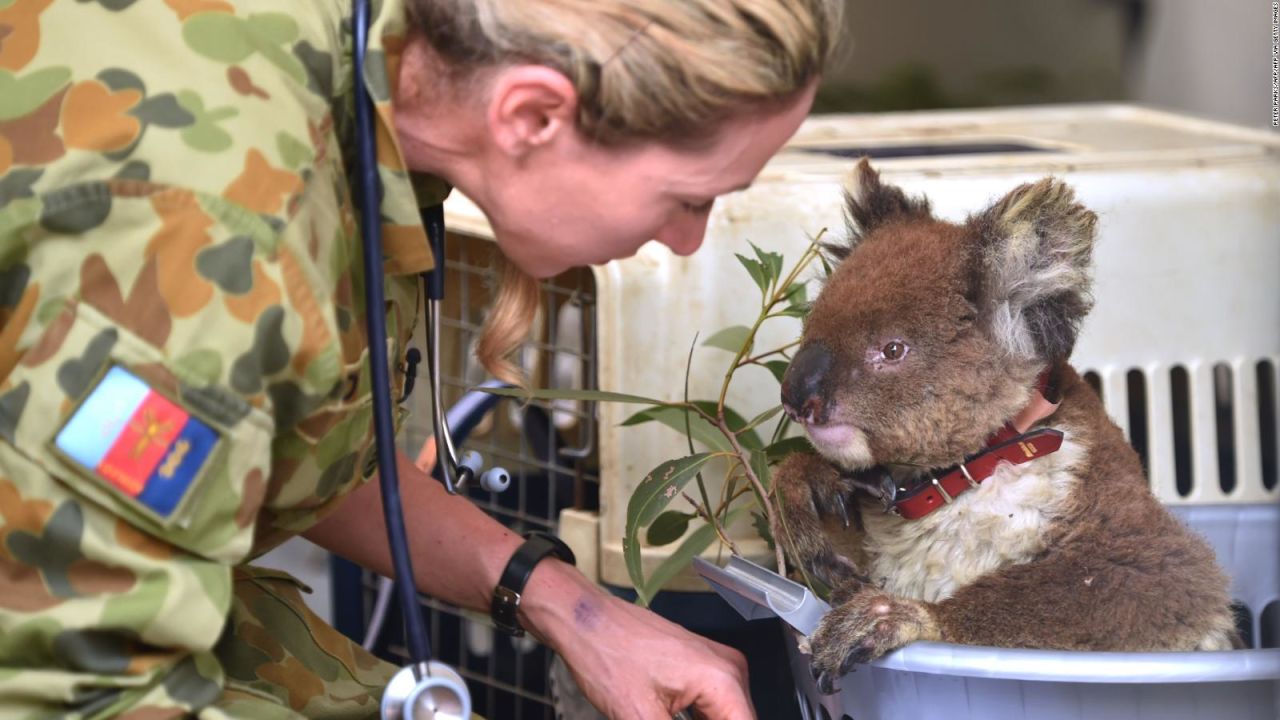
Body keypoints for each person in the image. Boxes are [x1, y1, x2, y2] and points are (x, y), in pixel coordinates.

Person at [0, 0, 840, 717]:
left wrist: (576, 609)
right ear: (531, 116)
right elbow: (77, 684)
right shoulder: (221, 237)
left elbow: (263, 437)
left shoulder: (369, 72)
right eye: (691, 199)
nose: (689, 239)